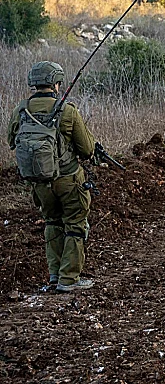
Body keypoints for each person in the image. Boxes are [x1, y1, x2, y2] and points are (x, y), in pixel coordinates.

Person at [7, 62, 96, 293]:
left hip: (39, 183)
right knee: (75, 225)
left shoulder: (21, 110)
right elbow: (86, 149)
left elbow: (11, 141)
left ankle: (55, 275)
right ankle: (69, 279)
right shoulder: (67, 110)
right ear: (56, 83)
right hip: (69, 179)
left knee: (52, 223)